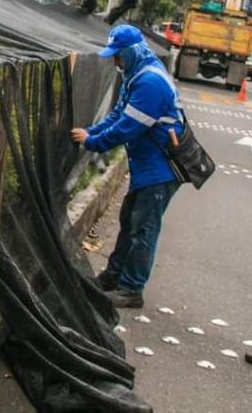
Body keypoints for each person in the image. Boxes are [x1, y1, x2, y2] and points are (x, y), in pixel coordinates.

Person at [70, 24, 183, 309]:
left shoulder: (150, 84)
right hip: (146, 166)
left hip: (159, 170)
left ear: (132, 52)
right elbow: (119, 114)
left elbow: (126, 129)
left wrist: (93, 142)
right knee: (129, 220)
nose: (115, 61)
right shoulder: (137, 74)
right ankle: (113, 277)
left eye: (119, 56)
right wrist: (92, 132)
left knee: (143, 228)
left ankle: (132, 289)